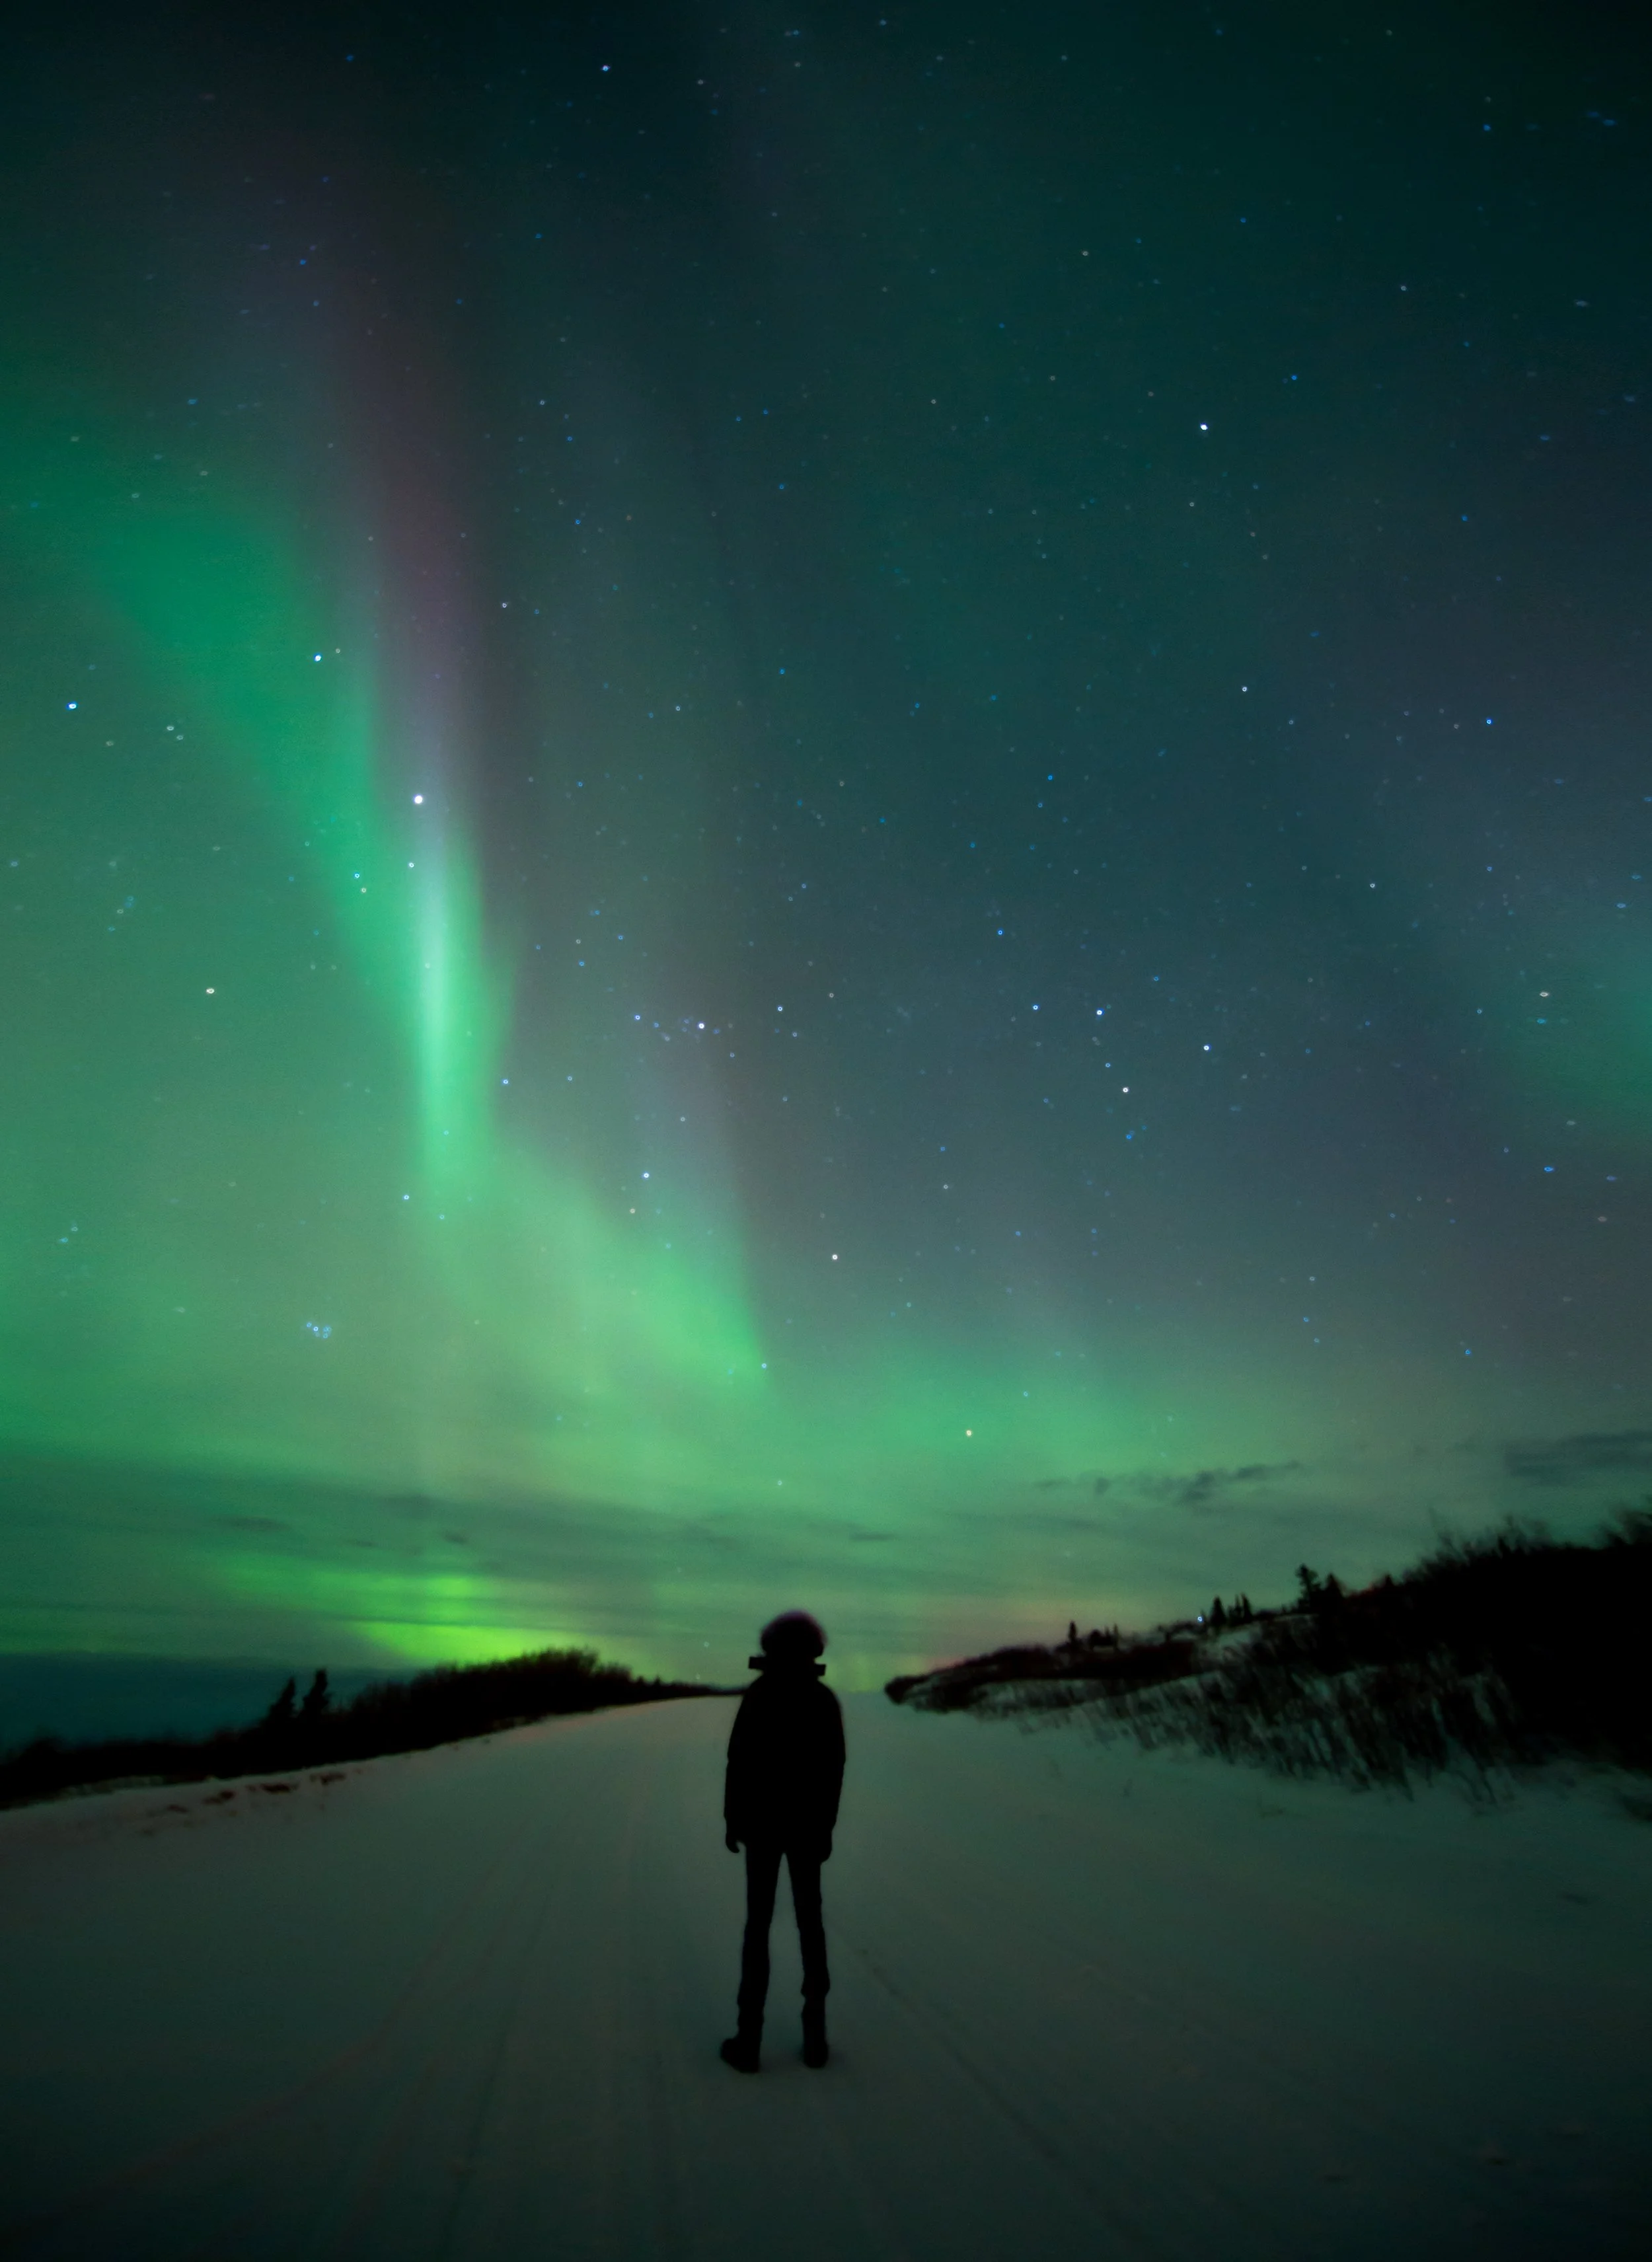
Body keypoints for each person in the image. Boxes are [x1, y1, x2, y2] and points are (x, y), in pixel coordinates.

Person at [720, 1609, 846, 2074]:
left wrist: (734, 1819)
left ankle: (748, 2041)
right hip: (807, 1830)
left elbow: (738, 1761)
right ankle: (816, 2039)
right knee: (810, 1924)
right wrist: (826, 1828)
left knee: (759, 1927)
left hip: (763, 1828)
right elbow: (834, 1771)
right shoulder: (823, 1700)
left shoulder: (760, 1695)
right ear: (814, 1649)